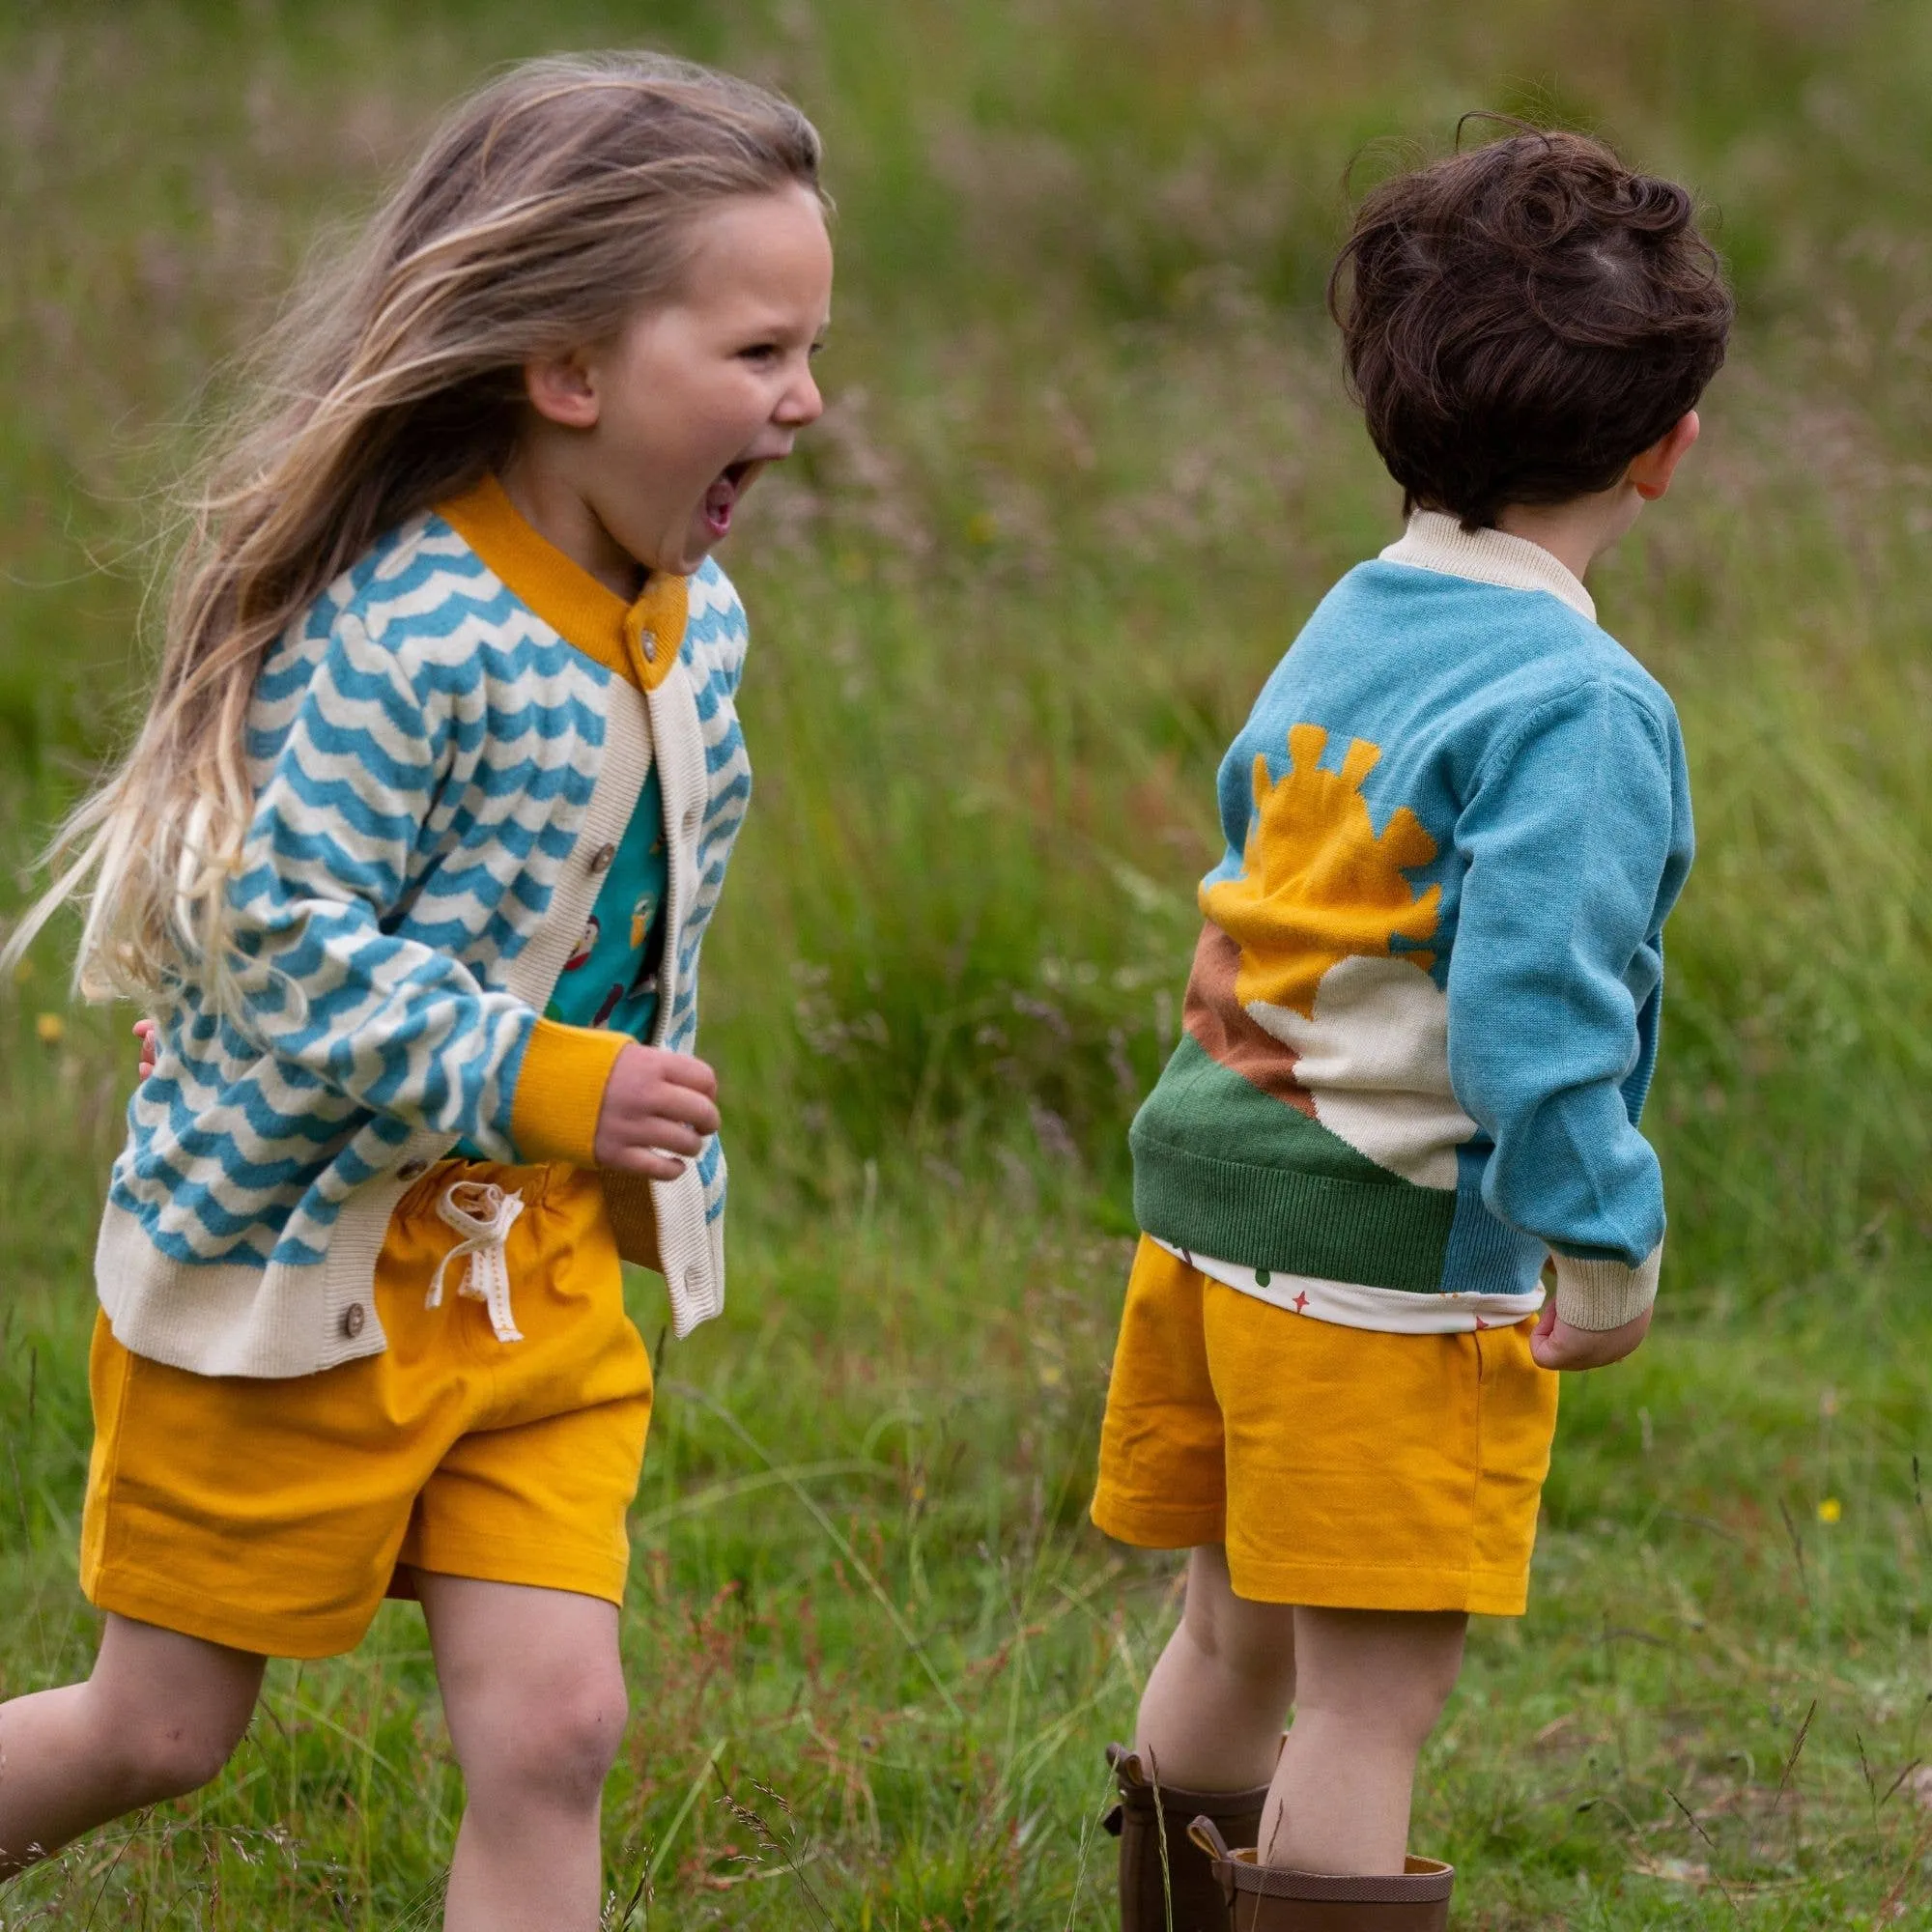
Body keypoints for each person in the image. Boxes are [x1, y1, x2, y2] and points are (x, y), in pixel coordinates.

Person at [0, 53, 832, 1932]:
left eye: (809, 349)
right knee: (156, 1727)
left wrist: (591, 1130)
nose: (806, 402)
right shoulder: (406, 632)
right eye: (762, 352)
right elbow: (270, 940)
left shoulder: (697, 620)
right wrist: (543, 1082)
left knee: (556, 1731)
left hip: (523, 1272)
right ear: (570, 371)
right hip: (294, 1262)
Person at [1091, 128, 1731, 1931]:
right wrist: (1601, 1236)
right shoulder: (1582, 702)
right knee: (1370, 1700)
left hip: (1214, 1208)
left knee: (1230, 1630)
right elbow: (1540, 1014)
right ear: (1666, 449)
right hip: (1384, 1259)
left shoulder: (1359, 609)